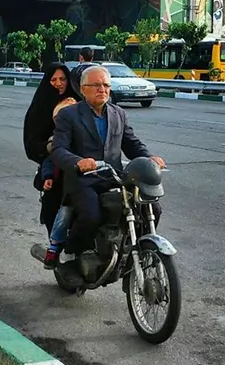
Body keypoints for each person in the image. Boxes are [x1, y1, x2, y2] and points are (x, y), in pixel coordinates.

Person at [51, 65, 166, 277]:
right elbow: (58, 150)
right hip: (82, 180)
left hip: (114, 178)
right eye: (96, 85)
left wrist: (149, 157)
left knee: (152, 208)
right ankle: (71, 253)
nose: (102, 89)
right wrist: (78, 161)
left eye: (105, 85)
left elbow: (131, 143)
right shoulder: (69, 115)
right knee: (91, 215)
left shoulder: (118, 113)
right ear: (83, 89)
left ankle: (135, 250)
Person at [23, 62, 81, 236]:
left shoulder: (77, 102)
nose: (59, 83)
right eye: (53, 79)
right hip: (55, 168)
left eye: (63, 79)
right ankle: (56, 252)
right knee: (55, 213)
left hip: (82, 166)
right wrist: (52, 147)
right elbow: (31, 145)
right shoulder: (39, 109)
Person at [40, 97, 78, 269]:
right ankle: (55, 246)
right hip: (66, 188)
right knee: (64, 213)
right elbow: (50, 160)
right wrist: (48, 177)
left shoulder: (86, 135)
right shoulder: (56, 141)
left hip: (89, 182)